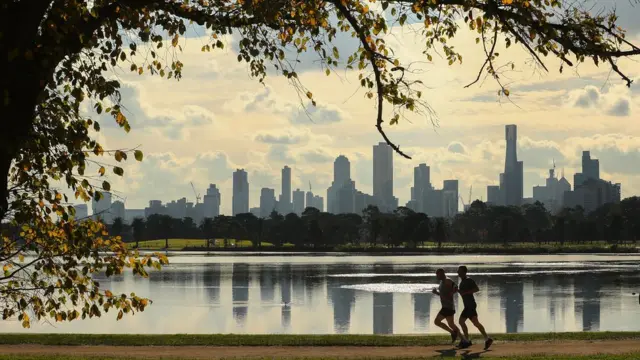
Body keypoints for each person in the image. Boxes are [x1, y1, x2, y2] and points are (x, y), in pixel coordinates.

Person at [457, 265, 493, 350]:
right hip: (468, 305)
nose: (458, 272)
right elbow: (462, 293)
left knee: (469, 322)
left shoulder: (469, 280)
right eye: (458, 271)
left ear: (464, 272)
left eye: (459, 271)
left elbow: (477, 289)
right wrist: (457, 290)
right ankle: (484, 339)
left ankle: (468, 341)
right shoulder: (462, 281)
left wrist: (466, 292)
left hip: (470, 305)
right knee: (469, 322)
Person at [432, 268, 468, 346]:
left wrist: (452, 292)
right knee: (451, 324)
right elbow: (443, 295)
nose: (437, 276)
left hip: (447, 307)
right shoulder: (442, 282)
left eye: (437, 275)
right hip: (448, 307)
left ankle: (453, 333)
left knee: (437, 322)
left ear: (441, 274)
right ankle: (464, 340)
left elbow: (455, 287)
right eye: (436, 275)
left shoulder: (447, 280)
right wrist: (436, 293)